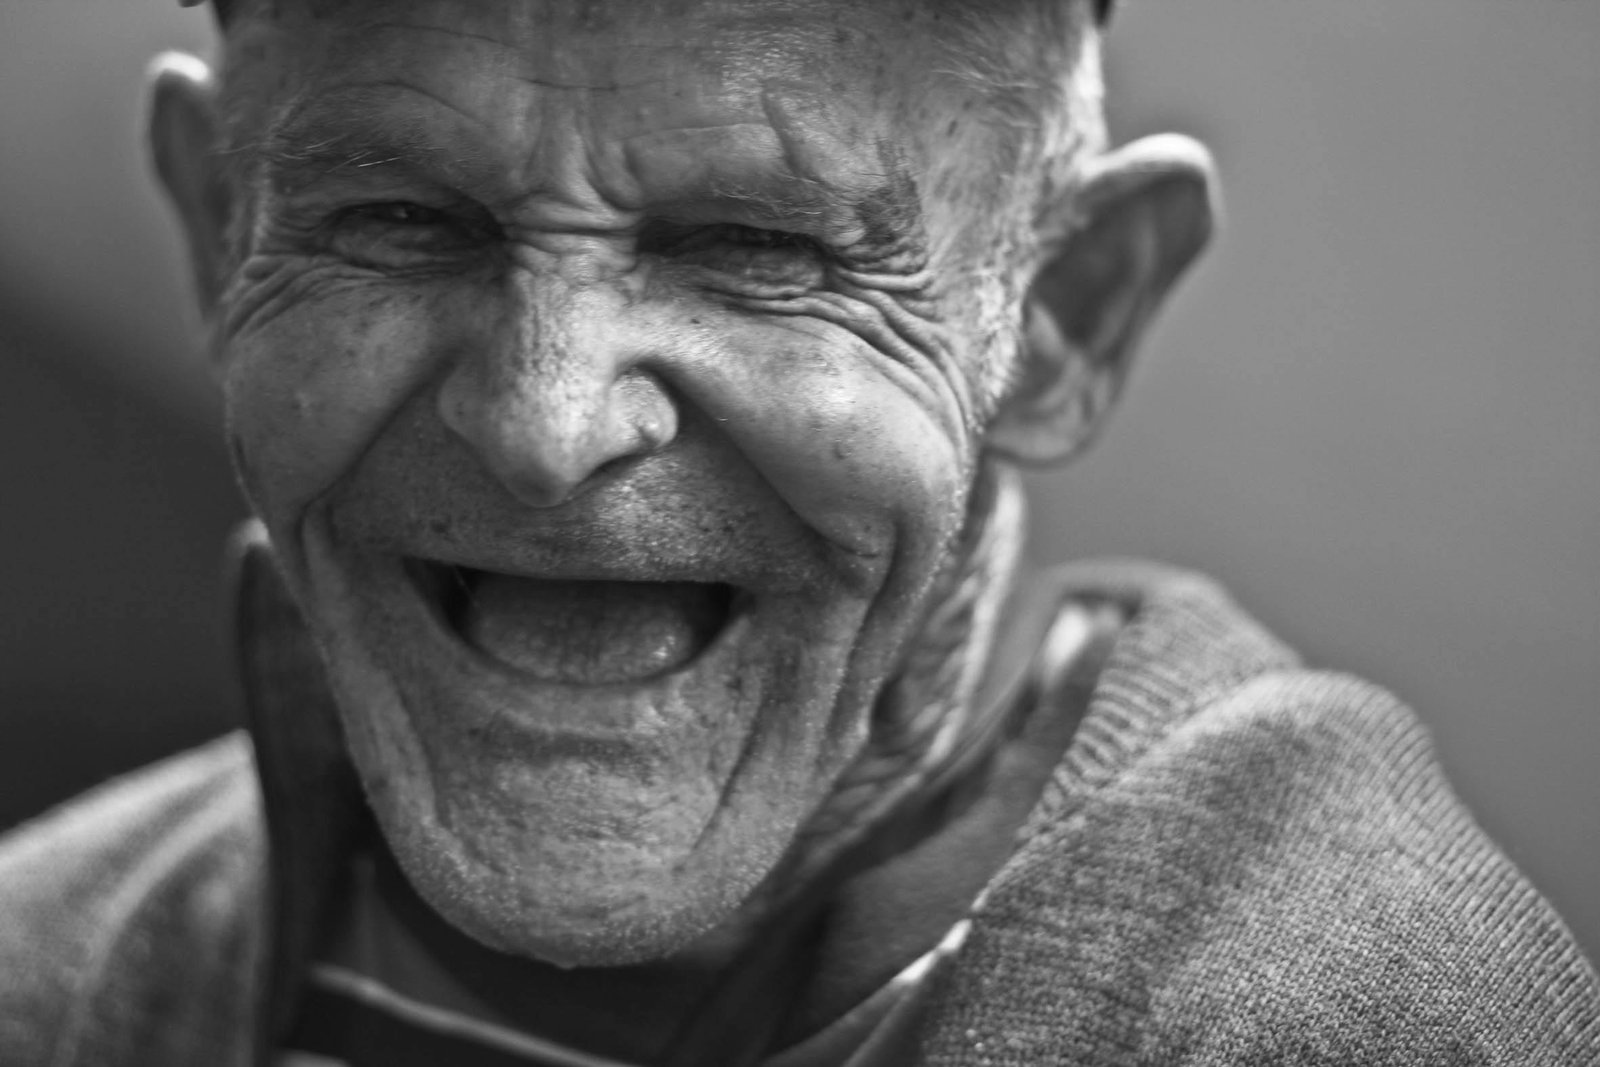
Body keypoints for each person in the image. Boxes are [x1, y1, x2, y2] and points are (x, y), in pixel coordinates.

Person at [2, 0, 1596, 1063]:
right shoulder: (48, 963)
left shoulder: (1355, 1018)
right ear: (219, 234)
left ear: (1065, 313)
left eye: (757, 249)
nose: (546, 425)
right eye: (399, 222)